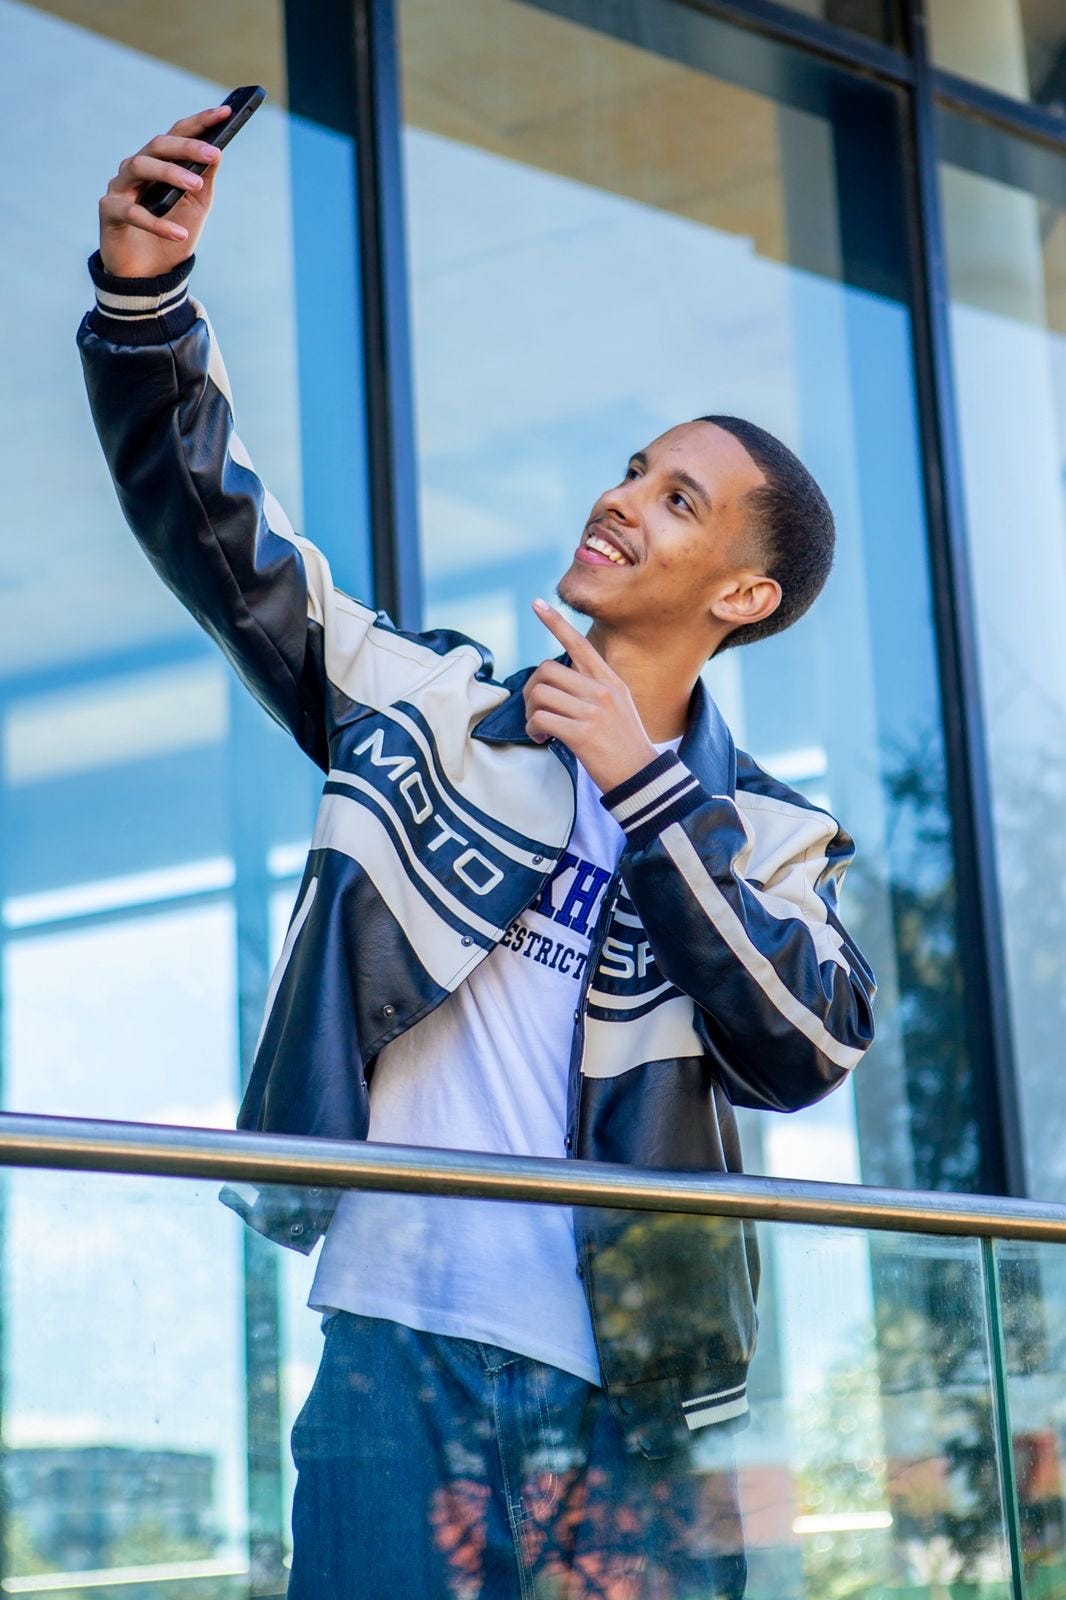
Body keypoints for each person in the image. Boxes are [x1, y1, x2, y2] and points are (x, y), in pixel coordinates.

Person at [78, 103, 877, 1599]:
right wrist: (145, 302)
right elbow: (220, 537)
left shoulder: (770, 835)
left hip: (635, 1410)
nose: (620, 499)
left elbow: (806, 1047)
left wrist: (644, 791)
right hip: (391, 1365)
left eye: (678, 500)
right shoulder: (426, 708)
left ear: (745, 597)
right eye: (633, 469)